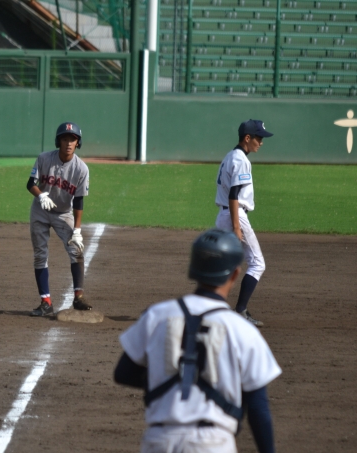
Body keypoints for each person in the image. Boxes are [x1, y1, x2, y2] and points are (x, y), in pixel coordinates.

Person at [114, 229, 281, 453]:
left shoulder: (157, 315)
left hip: (160, 440)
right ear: (234, 274)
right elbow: (258, 408)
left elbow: (123, 373)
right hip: (213, 442)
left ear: (193, 267)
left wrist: (170, 379)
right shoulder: (242, 330)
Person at [27, 122, 91, 317]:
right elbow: (30, 183)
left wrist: (77, 230)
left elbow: (78, 201)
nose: (69, 143)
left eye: (73, 139)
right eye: (65, 139)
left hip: (64, 213)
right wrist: (41, 196)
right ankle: (45, 302)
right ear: (58, 141)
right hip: (40, 210)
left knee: (76, 249)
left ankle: (78, 297)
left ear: (78, 143)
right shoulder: (44, 158)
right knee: (40, 254)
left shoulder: (81, 169)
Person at [215, 119, 273, 327]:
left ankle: (206, 308)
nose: (261, 142)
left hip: (223, 216)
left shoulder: (230, 156)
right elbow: (234, 195)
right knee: (257, 263)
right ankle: (240, 310)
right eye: (259, 138)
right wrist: (237, 227)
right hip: (235, 215)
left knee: (224, 266)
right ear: (247, 138)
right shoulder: (241, 160)